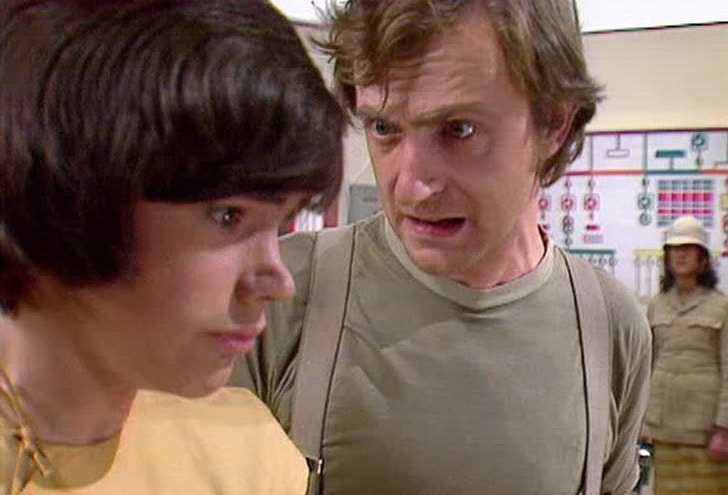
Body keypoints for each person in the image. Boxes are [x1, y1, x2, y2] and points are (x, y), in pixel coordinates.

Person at [231, 1, 652, 494]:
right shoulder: (278, 294)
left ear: (554, 124)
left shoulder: (609, 327)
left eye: (459, 130)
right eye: (384, 127)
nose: (411, 187)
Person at [0, 0, 344, 493]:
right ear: (70, 195)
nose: (277, 283)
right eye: (229, 216)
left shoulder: (246, 455)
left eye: (281, 224)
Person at [642, 215, 728, 494]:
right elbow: (647, 366)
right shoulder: (656, 305)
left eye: (688, 248)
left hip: (705, 432)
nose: (680, 254)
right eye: (674, 249)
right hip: (664, 429)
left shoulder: (721, 306)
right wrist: (641, 422)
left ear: (703, 260)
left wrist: (724, 428)